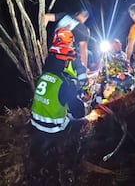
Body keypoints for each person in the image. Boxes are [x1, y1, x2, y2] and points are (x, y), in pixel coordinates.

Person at [29, 27, 89, 171]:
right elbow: (78, 112)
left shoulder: (43, 76)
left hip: (35, 125)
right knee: (82, 120)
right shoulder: (65, 84)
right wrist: (86, 106)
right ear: (66, 61)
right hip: (53, 129)